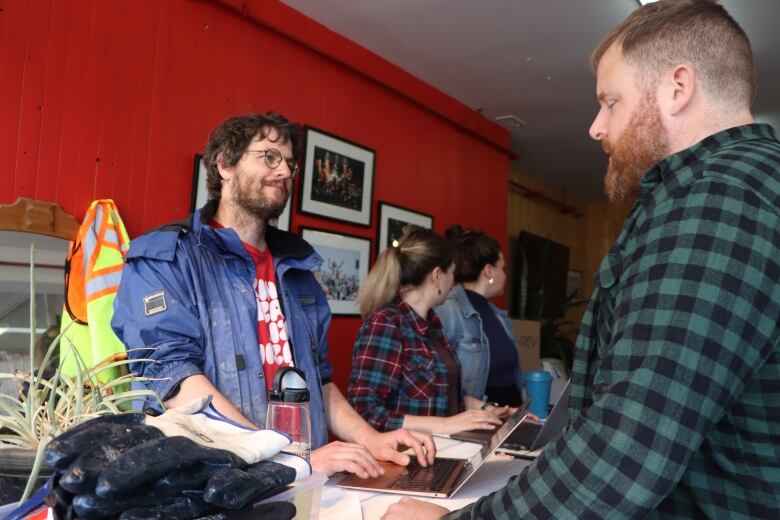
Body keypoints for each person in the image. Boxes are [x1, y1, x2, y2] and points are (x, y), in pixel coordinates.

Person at [383, 1, 780, 518]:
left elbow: (629, 447)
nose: (596, 127)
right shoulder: (739, 189)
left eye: (610, 102)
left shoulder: (718, 200)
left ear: (677, 89)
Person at [111, 111, 434, 480]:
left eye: (289, 164)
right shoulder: (165, 257)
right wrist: (279, 460)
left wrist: (371, 439)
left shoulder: (297, 269)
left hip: (301, 479)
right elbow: (172, 379)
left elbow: (320, 382)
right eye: (269, 157)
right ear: (224, 165)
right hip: (211, 485)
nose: (284, 172)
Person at [348, 226, 506, 435]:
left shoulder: (434, 325)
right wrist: (446, 425)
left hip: (442, 453)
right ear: (437, 276)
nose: (453, 282)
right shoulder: (386, 324)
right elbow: (366, 414)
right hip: (404, 459)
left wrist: (485, 410)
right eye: (452, 273)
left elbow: (443, 396)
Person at [435, 226, 523, 407]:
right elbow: (438, 380)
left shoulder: (498, 315)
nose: (505, 275)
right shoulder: (447, 310)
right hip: (477, 424)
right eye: (503, 268)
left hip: (510, 418)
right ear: (489, 271)